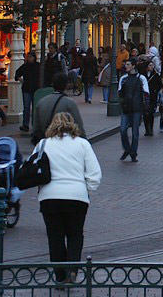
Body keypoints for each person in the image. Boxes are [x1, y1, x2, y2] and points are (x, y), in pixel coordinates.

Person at [36, 112, 102, 283]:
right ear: (73, 124)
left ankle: (59, 276)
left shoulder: (43, 144)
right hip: (77, 197)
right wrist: (86, 190)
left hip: (49, 197)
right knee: (75, 234)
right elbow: (95, 174)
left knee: (55, 236)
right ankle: (71, 270)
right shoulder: (82, 144)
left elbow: (32, 168)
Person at [33, 73, 86, 144]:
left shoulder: (41, 102)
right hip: (65, 143)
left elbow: (36, 128)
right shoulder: (70, 103)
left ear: (53, 84)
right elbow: (79, 128)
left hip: (46, 143)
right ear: (66, 85)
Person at [118, 58, 147, 162]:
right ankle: (127, 149)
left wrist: (145, 107)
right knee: (122, 129)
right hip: (126, 107)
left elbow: (146, 92)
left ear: (133, 66)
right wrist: (123, 91)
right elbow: (120, 92)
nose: (126, 66)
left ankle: (133, 153)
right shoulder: (123, 78)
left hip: (137, 108)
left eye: (128, 64)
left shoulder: (141, 78)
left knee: (135, 132)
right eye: (126, 64)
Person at [15, 52, 40, 132]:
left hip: (35, 89)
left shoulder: (38, 66)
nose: (29, 59)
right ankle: (26, 124)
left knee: (35, 108)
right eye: (28, 57)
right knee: (26, 107)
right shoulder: (25, 67)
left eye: (30, 57)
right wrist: (20, 79)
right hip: (27, 89)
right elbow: (17, 73)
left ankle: (34, 124)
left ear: (34, 58)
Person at [144, 59, 162, 136]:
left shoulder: (155, 75)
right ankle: (146, 129)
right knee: (145, 114)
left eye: (152, 65)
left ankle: (150, 128)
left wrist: (155, 91)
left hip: (152, 97)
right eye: (150, 65)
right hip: (145, 97)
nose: (151, 67)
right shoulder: (143, 75)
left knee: (151, 113)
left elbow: (159, 85)